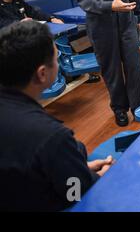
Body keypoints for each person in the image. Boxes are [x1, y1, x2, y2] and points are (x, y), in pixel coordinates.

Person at [0, 21, 113, 211]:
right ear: (42, 74)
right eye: (56, 58)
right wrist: (100, 177)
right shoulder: (52, 136)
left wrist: (76, 168)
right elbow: (75, 193)